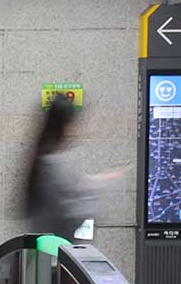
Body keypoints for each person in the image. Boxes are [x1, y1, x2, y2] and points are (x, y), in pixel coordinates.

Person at [23, 95, 123, 240]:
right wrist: (101, 186)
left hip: (45, 252)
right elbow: (69, 215)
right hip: (54, 252)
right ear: (64, 127)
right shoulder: (53, 164)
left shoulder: (42, 159)